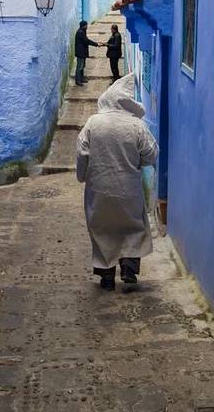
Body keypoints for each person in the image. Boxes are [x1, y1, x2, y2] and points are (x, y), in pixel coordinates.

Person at [76, 73, 158, 290]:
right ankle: (129, 270)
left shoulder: (93, 123)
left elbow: (82, 154)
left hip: (99, 190)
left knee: (103, 229)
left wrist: (82, 176)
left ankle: (107, 275)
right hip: (129, 189)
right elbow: (150, 154)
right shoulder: (136, 125)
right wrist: (137, 161)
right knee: (132, 228)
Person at [74, 20, 99, 86]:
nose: (87, 26)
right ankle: (78, 81)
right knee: (79, 67)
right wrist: (96, 44)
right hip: (80, 53)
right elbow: (86, 41)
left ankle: (81, 79)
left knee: (82, 66)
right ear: (83, 26)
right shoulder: (80, 32)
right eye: (86, 25)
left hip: (83, 52)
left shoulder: (82, 31)